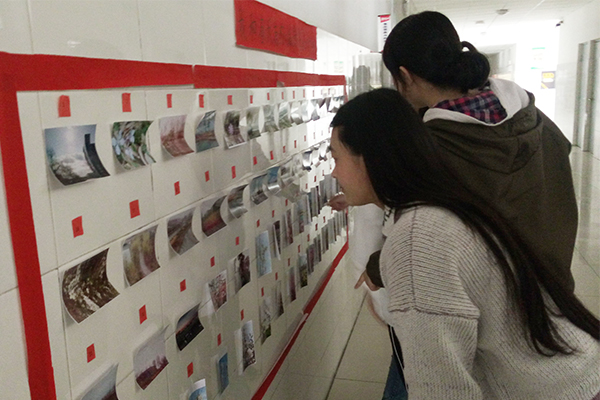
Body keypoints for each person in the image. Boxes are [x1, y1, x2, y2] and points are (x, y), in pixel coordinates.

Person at [330, 87, 600, 400]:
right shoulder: (438, 204)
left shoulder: (416, 243)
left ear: (369, 160)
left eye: (336, 157)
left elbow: (443, 390)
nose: (334, 172)